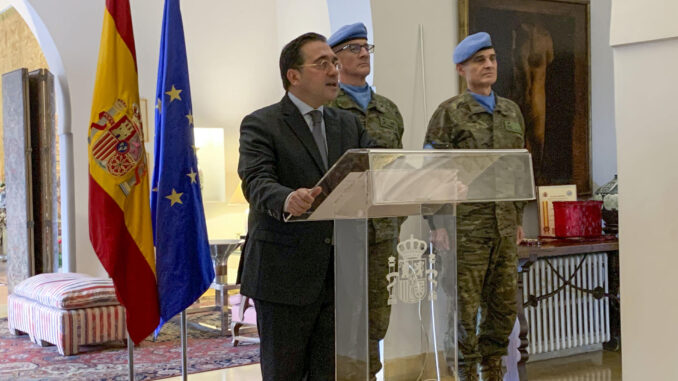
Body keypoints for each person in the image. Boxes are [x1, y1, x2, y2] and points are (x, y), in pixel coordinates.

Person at [237, 32, 375, 380]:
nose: (334, 69)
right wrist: (286, 198)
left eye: (333, 61)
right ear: (293, 76)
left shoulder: (349, 124)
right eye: (322, 63)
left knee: (328, 373)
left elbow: (376, 173)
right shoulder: (261, 123)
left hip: (338, 273)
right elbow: (256, 181)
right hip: (283, 274)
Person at [423, 32, 526, 381]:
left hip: (503, 226)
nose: (488, 65)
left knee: (502, 309)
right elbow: (431, 172)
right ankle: (465, 374)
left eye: (492, 58)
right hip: (464, 228)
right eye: (479, 60)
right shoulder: (449, 113)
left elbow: (519, 169)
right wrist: (436, 224)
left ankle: (494, 372)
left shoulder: (511, 111)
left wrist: (517, 218)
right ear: (461, 69)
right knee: (464, 311)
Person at [326, 22, 404, 379]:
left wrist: (397, 219)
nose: (362, 54)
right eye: (354, 48)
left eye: (365, 48)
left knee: (376, 317)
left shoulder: (388, 109)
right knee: (344, 316)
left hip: (384, 231)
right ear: (336, 59)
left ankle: (370, 375)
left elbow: (399, 171)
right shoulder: (328, 107)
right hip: (342, 231)